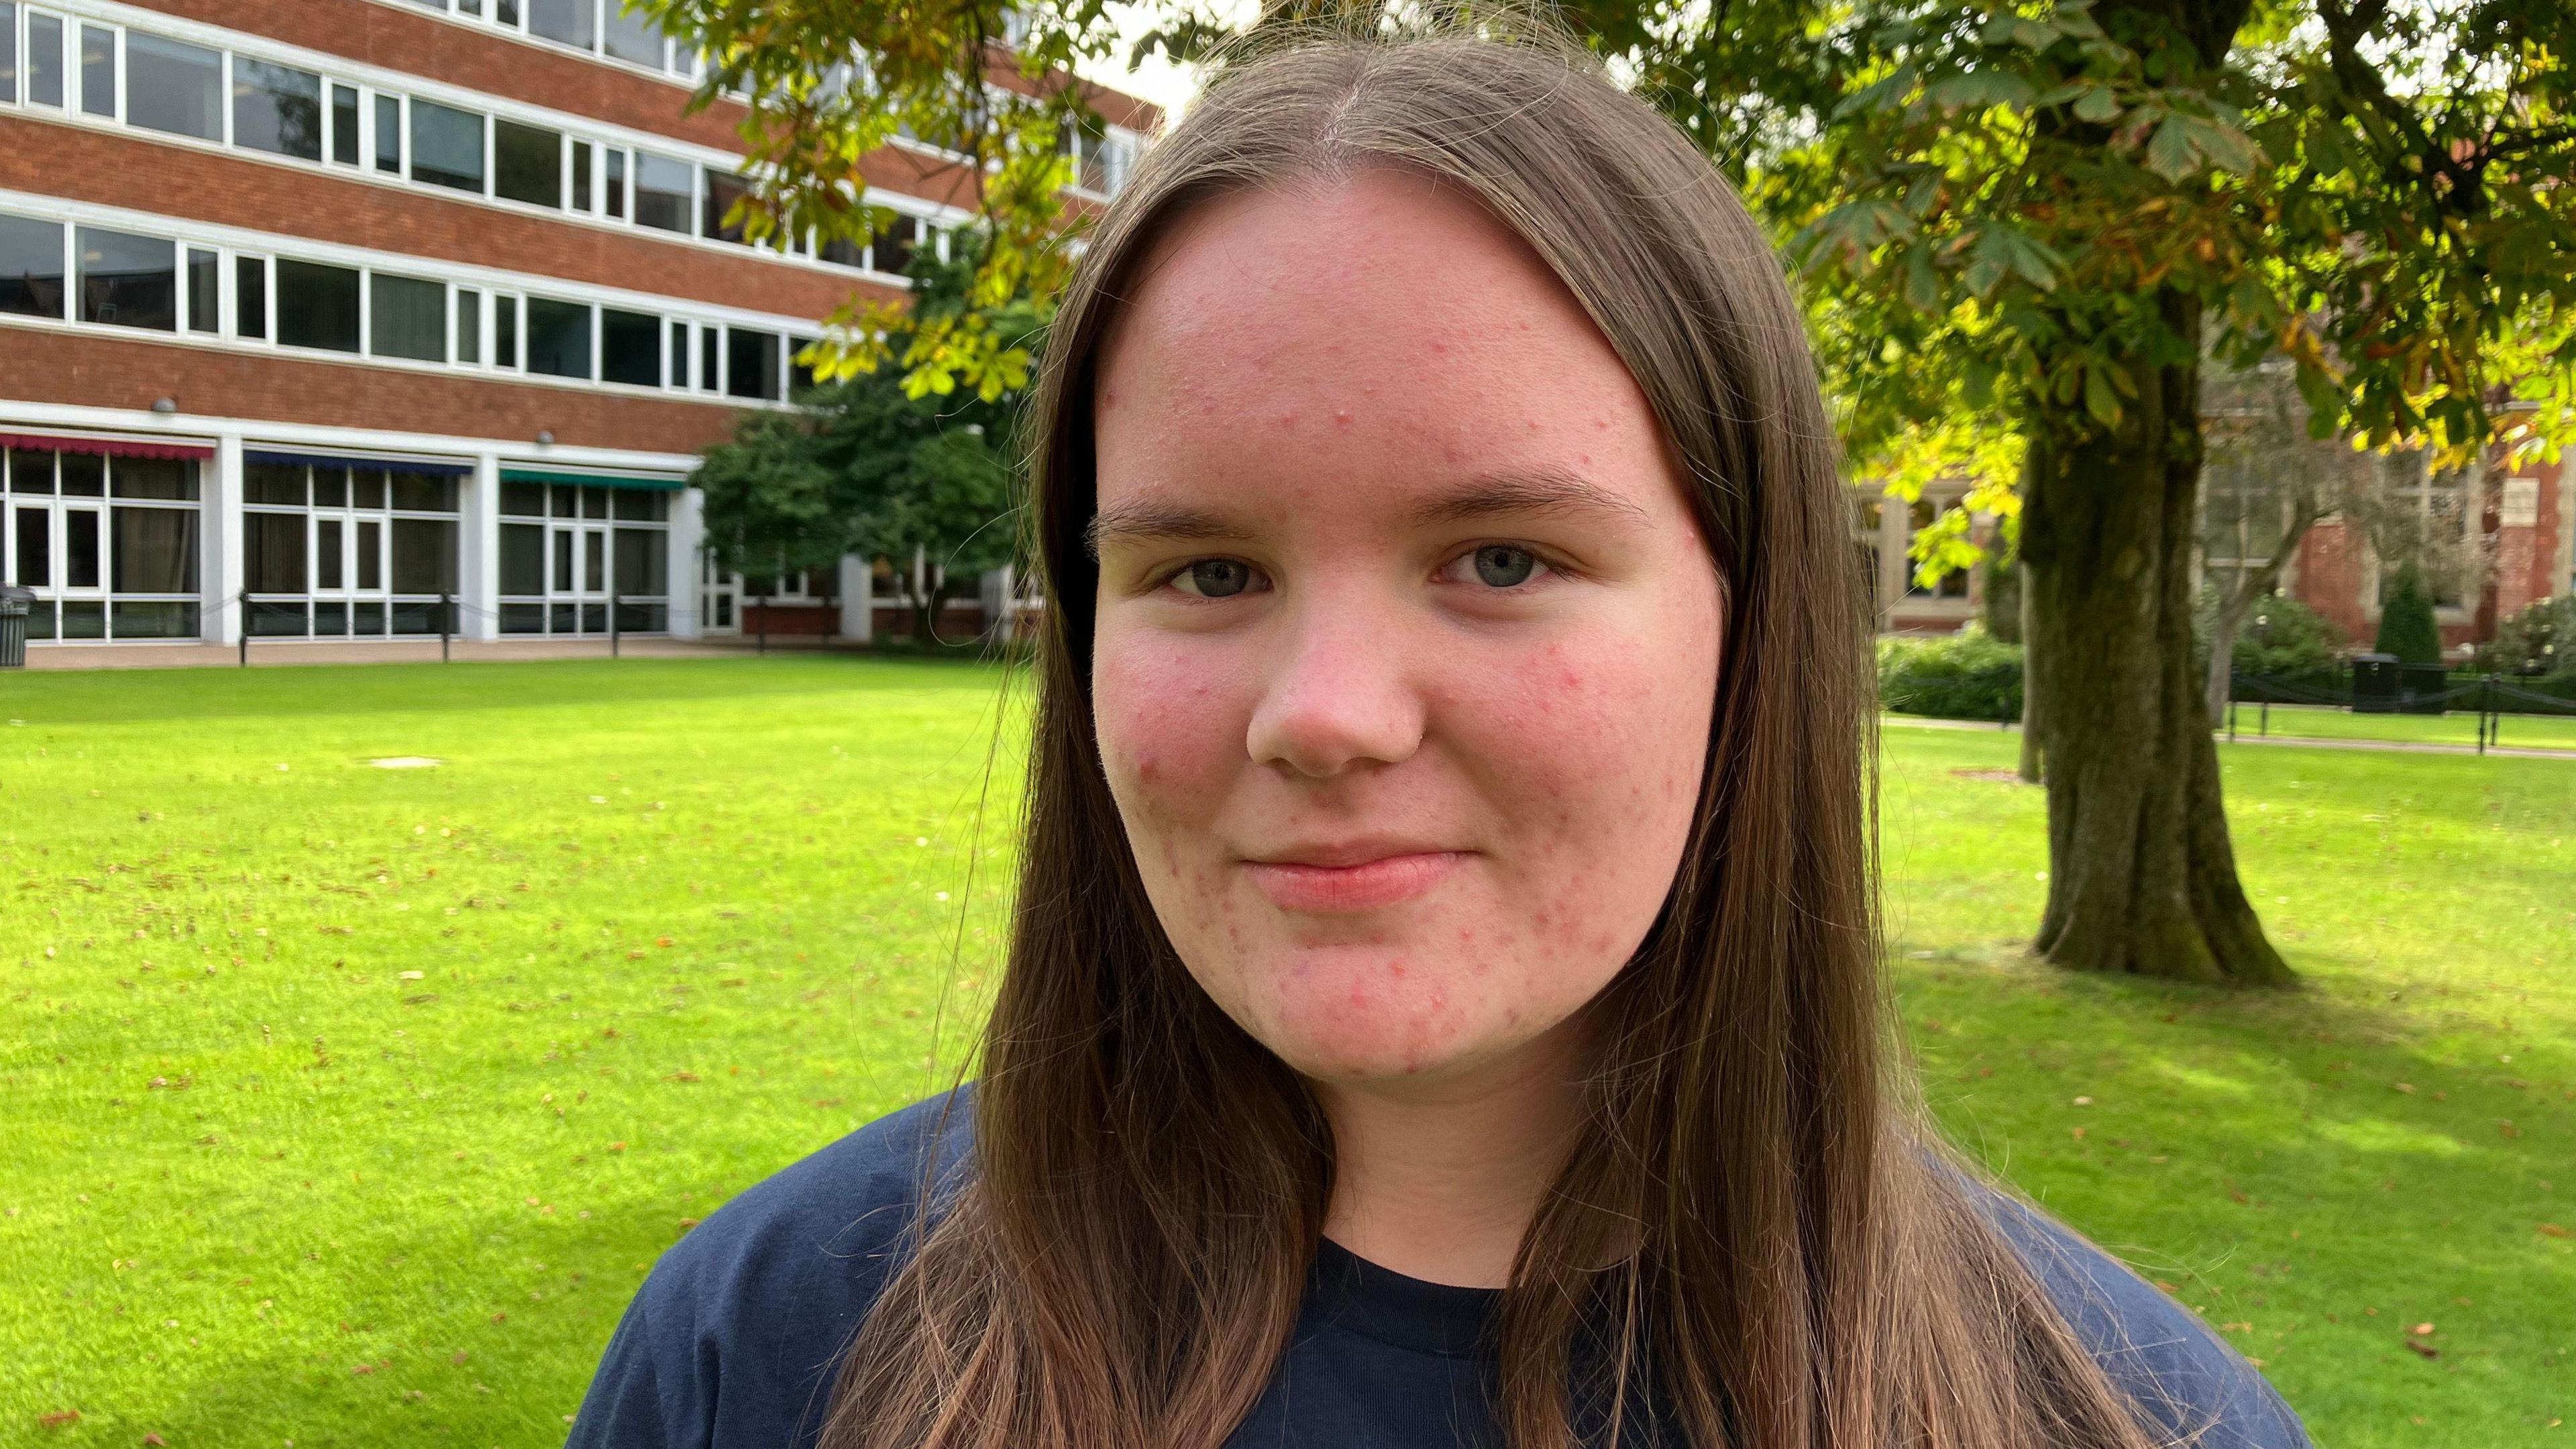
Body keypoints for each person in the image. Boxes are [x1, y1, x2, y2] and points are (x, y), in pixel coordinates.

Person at [567, 19, 2312, 1449]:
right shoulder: (765, 1360)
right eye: (1208, 568)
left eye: (1500, 559)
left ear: (1754, 627)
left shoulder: (2129, 1424)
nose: (1323, 713)